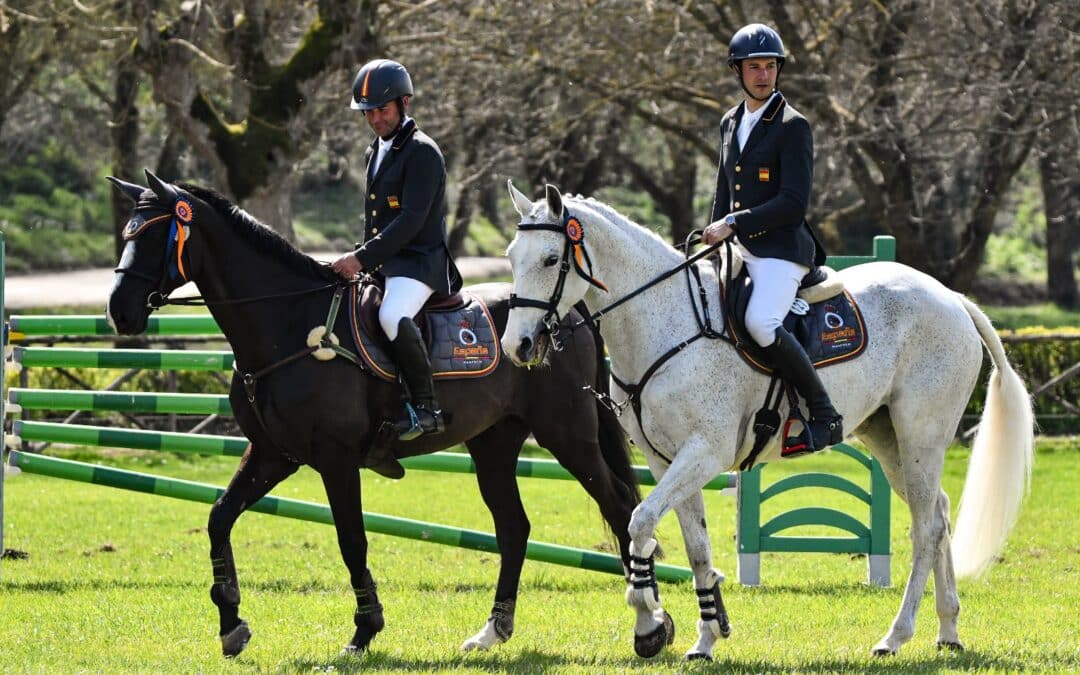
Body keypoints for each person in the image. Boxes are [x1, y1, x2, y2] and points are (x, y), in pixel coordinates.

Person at [701, 24, 843, 453]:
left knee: (761, 322)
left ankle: (824, 413)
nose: (763, 75)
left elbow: (793, 203)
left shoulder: (792, 125)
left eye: (770, 66)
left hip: (782, 250)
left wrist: (735, 223)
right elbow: (723, 192)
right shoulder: (729, 121)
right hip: (739, 246)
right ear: (738, 72)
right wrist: (710, 237)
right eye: (754, 67)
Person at [332, 58, 462, 442]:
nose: (374, 119)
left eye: (381, 110)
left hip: (419, 263)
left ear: (404, 103)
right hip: (386, 263)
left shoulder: (423, 152)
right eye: (368, 112)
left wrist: (361, 257)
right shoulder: (375, 151)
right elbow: (376, 220)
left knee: (391, 315)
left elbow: (409, 221)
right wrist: (362, 255)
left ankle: (427, 407)